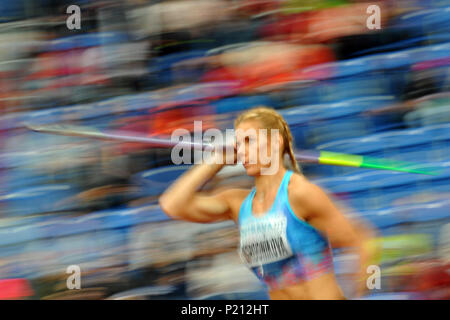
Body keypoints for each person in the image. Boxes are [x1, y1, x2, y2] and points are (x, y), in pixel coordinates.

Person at [159, 106, 376, 300]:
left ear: (275, 142)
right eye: (238, 144)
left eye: (249, 141)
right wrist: (216, 161)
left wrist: (366, 290)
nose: (242, 151)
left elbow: (364, 241)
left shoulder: (300, 193)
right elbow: (172, 204)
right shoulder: (237, 203)